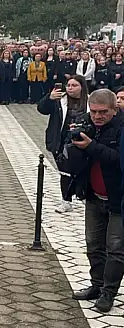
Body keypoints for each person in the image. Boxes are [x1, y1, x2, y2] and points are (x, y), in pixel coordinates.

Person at [66, 89, 124, 313]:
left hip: (117, 199)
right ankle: (96, 286)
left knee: (116, 249)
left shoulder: (120, 129)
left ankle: (109, 293)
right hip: (93, 195)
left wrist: (90, 145)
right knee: (93, 245)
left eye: (103, 112)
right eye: (94, 112)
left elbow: (117, 159)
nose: (98, 116)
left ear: (114, 109)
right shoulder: (87, 125)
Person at [37, 76, 90, 214]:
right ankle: (66, 201)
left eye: (74, 85)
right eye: (69, 85)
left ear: (82, 87)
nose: (70, 88)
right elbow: (42, 109)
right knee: (65, 171)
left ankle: (81, 194)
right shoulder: (59, 99)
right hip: (60, 141)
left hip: (82, 140)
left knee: (81, 171)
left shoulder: (89, 101)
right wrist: (49, 98)